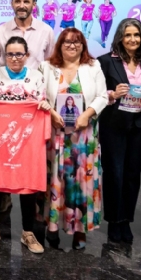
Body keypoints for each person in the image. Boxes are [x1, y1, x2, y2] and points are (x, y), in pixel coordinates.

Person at [0, 36, 49, 254]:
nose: (14, 58)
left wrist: (44, 104)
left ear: (27, 55)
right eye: (10, 54)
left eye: (19, 54)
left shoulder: (36, 77)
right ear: (5, 55)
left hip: (26, 139)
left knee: (27, 185)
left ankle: (27, 232)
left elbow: (42, 102)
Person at [41, 28, 107, 249]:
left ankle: (80, 230)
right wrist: (51, 113)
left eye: (77, 42)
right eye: (67, 42)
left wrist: (87, 115)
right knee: (55, 181)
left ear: (83, 45)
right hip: (56, 136)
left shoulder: (93, 66)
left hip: (84, 138)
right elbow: (39, 96)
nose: (72, 45)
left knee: (81, 183)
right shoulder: (47, 67)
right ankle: (52, 227)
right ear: (59, 45)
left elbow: (103, 96)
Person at [98, 19, 141, 243]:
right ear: (120, 38)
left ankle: (126, 220)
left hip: (140, 126)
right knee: (114, 173)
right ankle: (114, 221)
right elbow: (96, 90)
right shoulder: (105, 61)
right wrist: (112, 93)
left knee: (133, 173)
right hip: (113, 125)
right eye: (127, 35)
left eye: (136, 35)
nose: (132, 39)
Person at [0, 0, 55, 70]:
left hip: (37, 82)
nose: (21, 6)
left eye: (26, 2)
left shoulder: (47, 31)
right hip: (7, 82)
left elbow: (50, 64)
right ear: (12, 4)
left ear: (34, 5)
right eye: (17, 1)